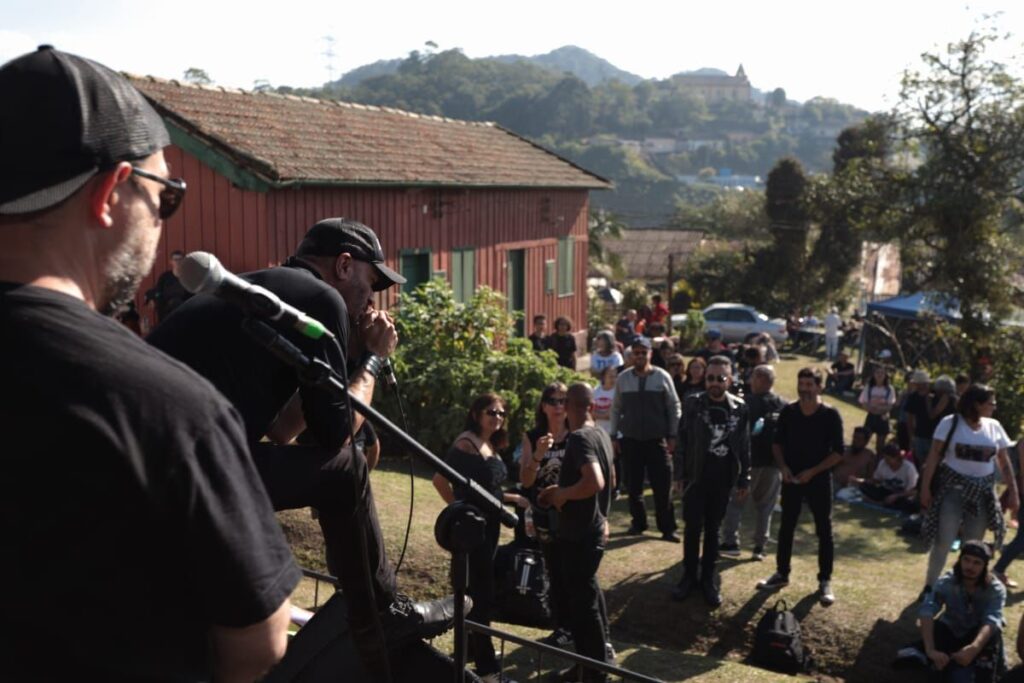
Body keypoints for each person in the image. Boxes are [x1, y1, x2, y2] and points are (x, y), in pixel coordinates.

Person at [0, 46, 298, 680]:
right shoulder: (164, 408)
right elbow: (259, 645)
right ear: (111, 191)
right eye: (168, 197)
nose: (165, 225)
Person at [148, 217, 457, 682]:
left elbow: (285, 430)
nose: (371, 303)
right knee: (348, 467)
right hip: (195, 470)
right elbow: (337, 437)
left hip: (158, 467)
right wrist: (373, 358)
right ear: (344, 266)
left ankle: (372, 621)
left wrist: (348, 355)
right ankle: (380, 612)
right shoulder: (323, 300)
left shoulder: (269, 290)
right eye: (371, 286)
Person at [433, 394, 527, 683]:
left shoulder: (490, 445)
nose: (497, 417)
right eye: (491, 412)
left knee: (479, 594)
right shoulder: (467, 442)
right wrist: (458, 510)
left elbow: (488, 490)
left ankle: (468, 658)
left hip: (489, 532)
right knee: (478, 596)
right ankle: (487, 671)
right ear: (476, 413)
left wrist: (513, 499)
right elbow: (440, 478)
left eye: (501, 413)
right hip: (472, 534)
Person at [538, 382, 615, 683]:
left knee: (582, 605)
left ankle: (592, 671)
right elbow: (612, 478)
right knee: (589, 595)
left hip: (580, 535)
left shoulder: (580, 438)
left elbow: (595, 482)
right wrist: (604, 515)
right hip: (592, 529)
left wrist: (562, 495)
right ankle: (595, 662)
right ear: (592, 406)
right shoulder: (601, 434)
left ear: (569, 406)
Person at [919, 384, 1019, 598]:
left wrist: (1013, 492)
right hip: (952, 491)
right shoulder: (950, 424)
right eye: (990, 402)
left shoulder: (994, 426)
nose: (994, 406)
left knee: (973, 547)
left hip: (982, 495)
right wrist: (925, 488)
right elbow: (934, 457)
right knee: (944, 541)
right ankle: (930, 587)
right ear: (977, 404)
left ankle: (962, 591)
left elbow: (1004, 461)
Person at [757, 367, 844, 606]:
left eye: (809, 384)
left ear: (819, 387)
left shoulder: (830, 415)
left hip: (818, 480)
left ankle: (825, 580)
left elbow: (838, 453)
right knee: (786, 526)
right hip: (791, 478)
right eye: (802, 384)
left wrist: (813, 472)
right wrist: (783, 467)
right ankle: (781, 573)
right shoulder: (789, 412)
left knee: (823, 530)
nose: (804, 389)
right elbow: (777, 444)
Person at [672, 356, 751, 607]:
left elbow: (745, 446)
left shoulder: (739, 407)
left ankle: (708, 579)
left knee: (714, 530)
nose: (715, 382)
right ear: (705, 379)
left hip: (723, 478)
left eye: (721, 378)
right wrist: (679, 475)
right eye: (711, 378)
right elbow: (682, 441)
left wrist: (744, 478)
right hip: (697, 476)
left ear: (729, 379)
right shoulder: (693, 403)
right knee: (693, 527)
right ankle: (688, 576)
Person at [610, 336, 682, 542]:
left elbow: (673, 406)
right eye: (637, 352)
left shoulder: (662, 376)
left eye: (644, 352)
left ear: (651, 353)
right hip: (630, 440)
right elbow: (615, 409)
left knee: (662, 486)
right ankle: (638, 523)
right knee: (633, 487)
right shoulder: (623, 378)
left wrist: (673, 434)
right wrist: (614, 436)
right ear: (632, 355)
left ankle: (667, 528)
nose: (640, 356)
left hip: (657, 439)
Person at [519, 383, 573, 650]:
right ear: (543, 405)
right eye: (553, 400)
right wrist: (539, 454)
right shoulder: (533, 435)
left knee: (573, 570)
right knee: (553, 568)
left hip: (573, 513)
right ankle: (562, 627)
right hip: (544, 514)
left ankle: (575, 627)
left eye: (564, 400)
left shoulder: (577, 434)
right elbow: (525, 480)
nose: (559, 405)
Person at [912, 541, 1007, 683]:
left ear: (985, 566)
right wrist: (930, 649)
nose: (970, 566)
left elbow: (992, 620)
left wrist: (974, 648)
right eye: (966, 560)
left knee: (993, 636)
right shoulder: (947, 581)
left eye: (977, 563)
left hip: (978, 635)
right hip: (952, 629)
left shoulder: (996, 589)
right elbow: (927, 609)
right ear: (960, 560)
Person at [720, 365, 787, 561]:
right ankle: (759, 546)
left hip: (749, 462)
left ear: (761, 379)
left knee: (735, 503)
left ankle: (730, 541)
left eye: (754, 377)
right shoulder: (782, 404)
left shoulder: (746, 402)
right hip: (774, 463)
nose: (751, 381)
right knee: (765, 507)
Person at [851, 442, 919, 514]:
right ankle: (882, 503)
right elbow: (875, 480)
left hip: (901, 495)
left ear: (896, 458)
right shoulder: (883, 463)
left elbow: (913, 491)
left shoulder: (909, 468)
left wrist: (896, 496)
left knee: (909, 504)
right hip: (885, 491)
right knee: (865, 487)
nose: (886, 461)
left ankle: (879, 503)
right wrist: (859, 481)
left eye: (888, 459)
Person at [144, 249, 190, 323]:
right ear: (171, 262)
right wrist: (151, 298)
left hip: (184, 314)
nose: (178, 262)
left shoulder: (189, 278)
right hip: (166, 315)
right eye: (175, 260)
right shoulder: (165, 277)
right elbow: (157, 291)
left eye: (180, 259)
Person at [859, 364, 896, 455]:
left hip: (883, 418)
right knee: (863, 441)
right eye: (877, 372)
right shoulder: (869, 387)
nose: (879, 375)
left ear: (885, 375)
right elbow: (863, 403)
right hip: (871, 417)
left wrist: (879, 410)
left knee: (880, 446)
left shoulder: (889, 389)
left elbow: (890, 405)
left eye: (882, 373)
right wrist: (873, 410)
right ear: (874, 374)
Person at [904, 370, 936, 468]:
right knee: (919, 462)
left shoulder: (935, 396)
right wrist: (911, 437)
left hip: (933, 435)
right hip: (919, 435)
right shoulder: (913, 397)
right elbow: (909, 419)